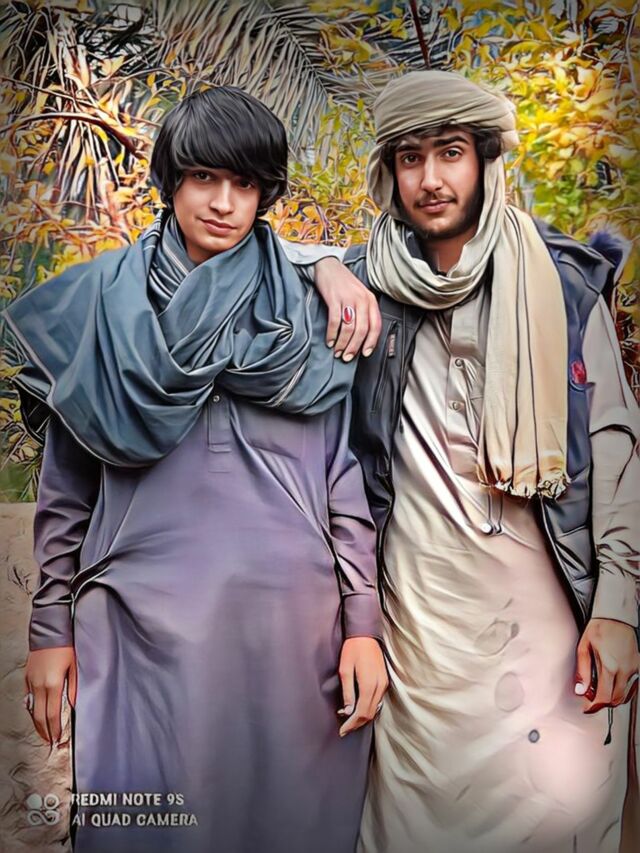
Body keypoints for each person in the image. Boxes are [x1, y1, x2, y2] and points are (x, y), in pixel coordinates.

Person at [4, 86, 388, 853]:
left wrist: (363, 626)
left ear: (266, 192)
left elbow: (341, 477)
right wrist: (50, 628)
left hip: (295, 635)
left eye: (244, 183)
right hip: (137, 627)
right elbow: (66, 489)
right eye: (203, 177)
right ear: (170, 180)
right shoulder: (102, 307)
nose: (222, 202)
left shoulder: (312, 313)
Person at [309, 70, 640, 852]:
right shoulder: (363, 293)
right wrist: (320, 263)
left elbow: (617, 453)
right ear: (389, 172)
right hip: (420, 646)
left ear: (487, 160)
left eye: (450, 152)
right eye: (410, 157)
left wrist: (619, 605)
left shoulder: (564, 288)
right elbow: (247, 257)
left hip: (551, 636)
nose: (430, 178)